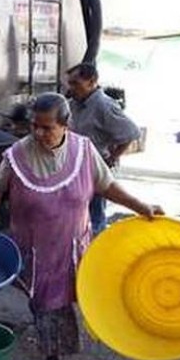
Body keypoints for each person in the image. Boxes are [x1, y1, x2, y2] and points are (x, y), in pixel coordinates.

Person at [0, 93, 163, 360]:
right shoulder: (18, 154)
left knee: (73, 297)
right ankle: (53, 356)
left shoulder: (84, 151)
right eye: (34, 126)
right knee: (47, 304)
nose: (38, 133)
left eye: (47, 128)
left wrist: (142, 207)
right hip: (37, 250)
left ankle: (57, 341)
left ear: (66, 125)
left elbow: (108, 186)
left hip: (74, 245)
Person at [67, 63, 141, 235]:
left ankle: (95, 252)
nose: (71, 88)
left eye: (76, 84)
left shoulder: (103, 105)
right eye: (70, 83)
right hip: (75, 168)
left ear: (92, 82)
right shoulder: (75, 104)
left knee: (95, 217)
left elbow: (131, 132)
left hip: (95, 170)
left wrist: (112, 157)